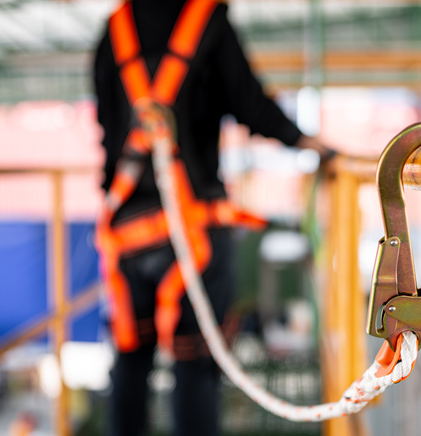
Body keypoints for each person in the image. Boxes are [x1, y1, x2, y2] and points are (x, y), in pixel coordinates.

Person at [92, 1, 334, 435]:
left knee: (131, 362)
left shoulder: (114, 31)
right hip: (193, 234)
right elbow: (250, 105)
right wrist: (311, 145)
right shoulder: (207, 22)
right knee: (195, 367)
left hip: (128, 235)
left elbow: (108, 128)